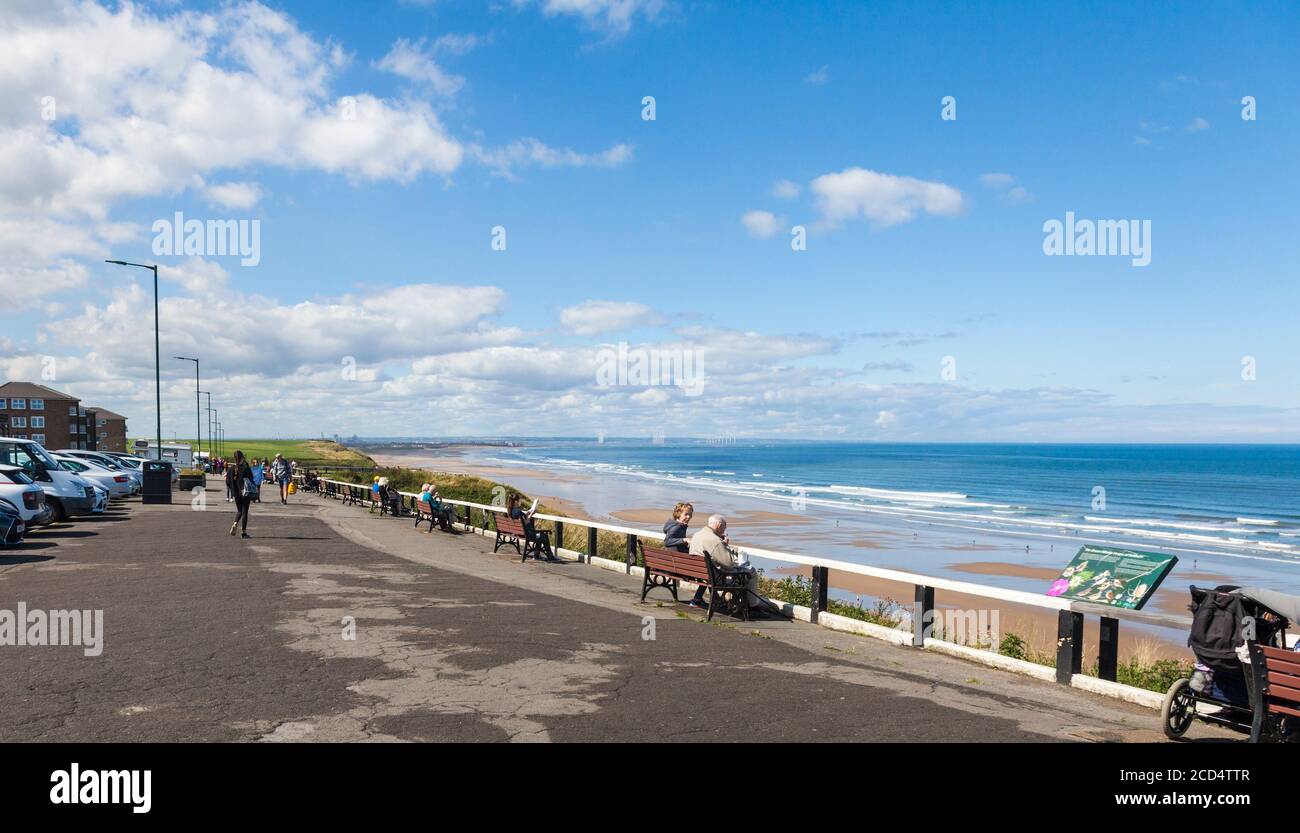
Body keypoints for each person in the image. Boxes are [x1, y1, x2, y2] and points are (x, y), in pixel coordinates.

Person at [689, 514, 760, 611]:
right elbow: (729, 564)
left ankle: (735, 603)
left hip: (698, 573)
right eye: (724, 528)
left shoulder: (697, 535)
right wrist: (725, 546)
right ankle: (753, 606)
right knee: (750, 571)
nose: (724, 531)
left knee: (744, 571)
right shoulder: (714, 540)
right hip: (716, 578)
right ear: (719, 526)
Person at [664, 502, 706, 609]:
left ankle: (699, 599)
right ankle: (697, 600)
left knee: (705, 572)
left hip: (674, 565)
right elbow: (668, 541)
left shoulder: (674, 525)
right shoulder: (677, 527)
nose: (688, 517)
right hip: (681, 569)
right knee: (708, 575)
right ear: (678, 513)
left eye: (690, 515)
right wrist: (684, 539)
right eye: (686, 514)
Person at [508, 493, 557, 561]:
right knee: (543, 535)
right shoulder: (518, 511)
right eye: (519, 500)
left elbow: (521, 520)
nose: (520, 502)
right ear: (516, 501)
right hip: (528, 534)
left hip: (519, 533)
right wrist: (531, 514)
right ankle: (550, 556)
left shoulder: (511, 511)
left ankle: (537, 555)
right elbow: (525, 522)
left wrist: (527, 513)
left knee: (540, 535)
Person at [229, 450, 254, 538]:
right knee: (245, 512)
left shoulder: (231, 468)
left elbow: (228, 481)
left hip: (236, 493)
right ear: (242, 457)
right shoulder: (245, 467)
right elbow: (251, 477)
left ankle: (235, 523)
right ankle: (243, 532)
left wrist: (232, 490)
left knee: (239, 510)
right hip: (245, 492)